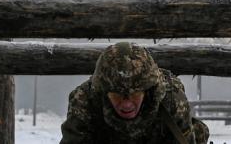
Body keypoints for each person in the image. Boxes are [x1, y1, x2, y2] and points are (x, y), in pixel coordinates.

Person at [60, 42, 209, 144]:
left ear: (148, 91)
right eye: (117, 94)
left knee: (199, 132)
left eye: (135, 94)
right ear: (104, 92)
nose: (126, 104)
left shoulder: (171, 99)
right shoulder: (84, 101)